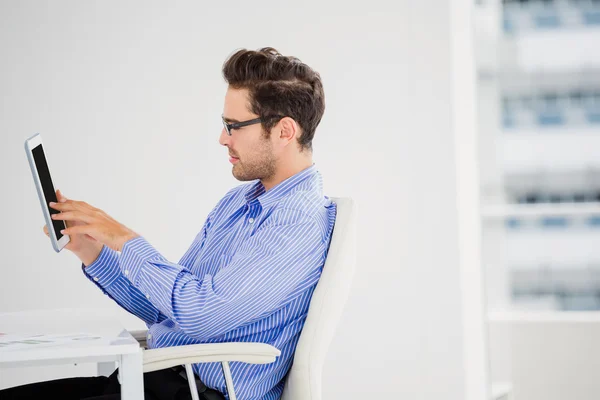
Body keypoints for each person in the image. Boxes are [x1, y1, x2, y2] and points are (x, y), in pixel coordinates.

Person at [2, 47, 336, 400]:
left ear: (285, 131)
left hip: (196, 392)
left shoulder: (297, 222)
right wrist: (92, 250)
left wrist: (125, 239)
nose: (223, 138)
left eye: (233, 126)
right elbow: (168, 310)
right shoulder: (239, 202)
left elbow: (199, 315)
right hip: (159, 379)